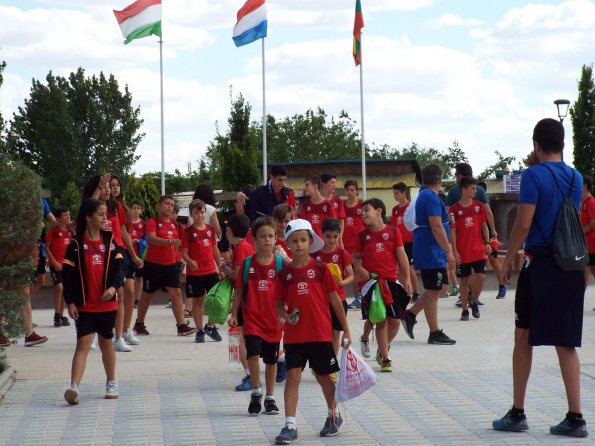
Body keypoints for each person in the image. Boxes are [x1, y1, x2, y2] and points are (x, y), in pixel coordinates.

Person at [492, 119, 588, 437]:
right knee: (566, 342)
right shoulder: (575, 177)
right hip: (571, 266)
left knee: (523, 335)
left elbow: (523, 224)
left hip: (541, 265)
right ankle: (576, 417)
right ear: (562, 143)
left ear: (535, 144)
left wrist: (507, 261)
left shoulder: (532, 176)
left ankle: (517, 412)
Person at [274, 219, 352, 444]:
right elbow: (279, 303)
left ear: (310, 241)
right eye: (294, 241)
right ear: (287, 244)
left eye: (303, 240)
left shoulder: (321, 269)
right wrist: (285, 315)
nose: (299, 244)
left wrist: (346, 330)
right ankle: (290, 425)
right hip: (294, 336)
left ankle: (333, 415)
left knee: (323, 377)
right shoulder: (285, 274)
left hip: (320, 334)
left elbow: (336, 301)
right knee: (292, 376)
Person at [62, 198, 125, 405]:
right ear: (88, 217)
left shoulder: (110, 242)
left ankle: (112, 382)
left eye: (105, 214)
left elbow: (119, 269)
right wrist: (70, 302)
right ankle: (74, 387)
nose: (105, 218)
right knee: (83, 343)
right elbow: (68, 276)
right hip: (84, 305)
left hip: (107, 305)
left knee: (107, 343)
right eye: (100, 214)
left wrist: (113, 288)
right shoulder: (75, 245)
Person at [230, 217, 282, 416]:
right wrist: (234, 313)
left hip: (274, 321)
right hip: (252, 320)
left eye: (271, 236)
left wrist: (286, 314)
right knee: (252, 353)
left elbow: (287, 293)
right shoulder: (247, 264)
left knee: (271, 361)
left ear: (276, 239)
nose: (267, 240)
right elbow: (239, 292)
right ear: (254, 240)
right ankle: (255, 391)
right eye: (262, 236)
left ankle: (270, 397)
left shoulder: (279, 264)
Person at [352, 199, 411, 372]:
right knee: (380, 319)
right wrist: (360, 268)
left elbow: (402, 257)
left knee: (395, 322)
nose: (363, 214)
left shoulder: (394, 231)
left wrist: (406, 279)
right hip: (371, 283)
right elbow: (355, 258)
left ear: (378, 211)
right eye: (361, 211)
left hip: (391, 281)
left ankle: (376, 345)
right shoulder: (362, 236)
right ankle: (385, 357)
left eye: (366, 210)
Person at [402, 164, 456, 345]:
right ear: (439, 180)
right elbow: (436, 225)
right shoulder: (430, 197)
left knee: (440, 288)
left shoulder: (425, 195)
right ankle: (433, 331)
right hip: (430, 251)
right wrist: (449, 251)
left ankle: (411, 315)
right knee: (434, 289)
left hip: (432, 250)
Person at [133, 195, 196, 337]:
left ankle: (181, 326)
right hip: (153, 265)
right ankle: (139, 324)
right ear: (159, 206)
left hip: (170, 265)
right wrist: (169, 242)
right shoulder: (152, 222)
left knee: (177, 293)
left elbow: (181, 243)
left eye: (172, 205)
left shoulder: (176, 225)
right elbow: (151, 239)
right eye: (167, 204)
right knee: (147, 295)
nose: (169, 207)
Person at [447, 163, 495, 306]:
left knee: (475, 272)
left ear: (461, 175)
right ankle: (471, 298)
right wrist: (494, 230)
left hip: (471, 236)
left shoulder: (454, 191)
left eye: (456, 174)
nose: (455, 177)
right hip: (468, 236)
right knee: (469, 274)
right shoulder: (479, 190)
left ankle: (470, 297)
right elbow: (488, 212)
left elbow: (446, 213)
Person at [107, 175, 143, 351]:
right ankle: (112, 333)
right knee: (118, 293)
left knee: (129, 291)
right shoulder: (100, 206)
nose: (115, 188)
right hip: (109, 253)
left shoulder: (119, 207)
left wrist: (134, 255)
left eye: (117, 185)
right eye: (111, 185)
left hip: (122, 251)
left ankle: (125, 330)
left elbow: (124, 232)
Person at [221, 213, 256, 391]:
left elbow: (237, 275)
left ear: (229, 230)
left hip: (245, 298)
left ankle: (250, 375)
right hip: (250, 296)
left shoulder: (241, 247)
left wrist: (224, 267)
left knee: (241, 337)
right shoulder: (246, 246)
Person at [312, 218, 354, 359]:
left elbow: (351, 276)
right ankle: (321, 360)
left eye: (335, 236)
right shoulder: (315, 255)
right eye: (328, 236)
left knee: (335, 332)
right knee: (322, 332)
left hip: (339, 299)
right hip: (320, 300)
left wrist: (342, 282)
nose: (332, 240)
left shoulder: (342, 254)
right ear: (322, 235)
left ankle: (332, 363)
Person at [181, 199, 222, 343]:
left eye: (202, 212)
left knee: (215, 300)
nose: (200, 215)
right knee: (197, 301)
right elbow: (183, 253)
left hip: (211, 270)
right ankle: (199, 330)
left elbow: (214, 249)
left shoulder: (211, 230)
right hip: (195, 273)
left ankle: (210, 326)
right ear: (191, 215)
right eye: (196, 212)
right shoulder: (187, 232)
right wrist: (189, 261)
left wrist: (220, 266)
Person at [390, 183, 421, 303]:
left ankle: (417, 292)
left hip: (410, 242)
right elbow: (393, 227)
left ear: (404, 193)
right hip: (398, 243)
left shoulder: (411, 207)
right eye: (394, 193)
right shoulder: (395, 210)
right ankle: (407, 291)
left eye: (396, 193)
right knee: (400, 269)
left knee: (408, 267)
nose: (395, 196)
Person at [477, 180, 507, 299]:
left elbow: (491, 220)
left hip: (489, 237)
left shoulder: (487, 204)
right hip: (475, 236)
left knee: (494, 261)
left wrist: (493, 234)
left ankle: (502, 286)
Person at [45, 207, 73, 327]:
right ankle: (56, 315)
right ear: (58, 218)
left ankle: (61, 315)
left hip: (66, 266)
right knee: (59, 287)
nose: (68, 217)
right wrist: (54, 262)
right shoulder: (53, 231)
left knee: (65, 289)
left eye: (68, 215)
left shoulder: (70, 232)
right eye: (65, 215)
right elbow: (47, 247)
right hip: (55, 265)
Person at [343, 180, 366, 310]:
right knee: (346, 272)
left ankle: (360, 298)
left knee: (358, 271)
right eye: (348, 190)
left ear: (357, 191)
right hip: (345, 244)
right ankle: (343, 298)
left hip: (358, 245)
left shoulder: (362, 205)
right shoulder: (342, 206)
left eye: (353, 190)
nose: (350, 192)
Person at [128, 200, 146, 308]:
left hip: (140, 255)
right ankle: (129, 298)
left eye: (138, 208)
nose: (136, 210)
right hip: (129, 254)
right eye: (134, 208)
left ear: (141, 210)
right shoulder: (126, 224)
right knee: (129, 277)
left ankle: (137, 299)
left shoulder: (144, 224)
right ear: (130, 210)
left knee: (139, 277)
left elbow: (148, 240)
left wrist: (139, 242)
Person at [320, 173, 345, 247]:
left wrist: (339, 238)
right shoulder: (316, 201)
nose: (335, 185)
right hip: (320, 238)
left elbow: (341, 221)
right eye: (332, 182)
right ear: (324, 184)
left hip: (333, 239)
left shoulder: (338, 201)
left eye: (335, 183)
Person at [580, 174, 595, 297]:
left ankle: (577, 301)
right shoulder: (583, 202)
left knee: (585, 273)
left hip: (592, 244)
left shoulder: (590, 203)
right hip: (587, 244)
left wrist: (579, 232)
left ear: (585, 186)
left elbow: (593, 224)